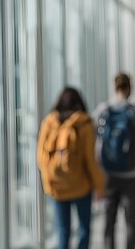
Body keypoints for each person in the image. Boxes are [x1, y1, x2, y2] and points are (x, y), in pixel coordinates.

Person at [37, 87, 105, 249]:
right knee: (84, 229)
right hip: (81, 186)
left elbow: (41, 157)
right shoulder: (84, 124)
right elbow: (90, 159)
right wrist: (99, 186)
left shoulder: (49, 122)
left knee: (63, 231)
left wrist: (48, 183)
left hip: (57, 187)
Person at [94, 73, 135, 249]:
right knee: (130, 221)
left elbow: (96, 140)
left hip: (108, 174)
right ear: (129, 89)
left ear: (114, 87)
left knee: (109, 220)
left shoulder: (101, 111)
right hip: (132, 174)